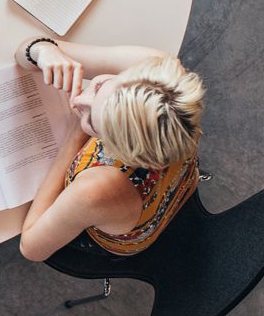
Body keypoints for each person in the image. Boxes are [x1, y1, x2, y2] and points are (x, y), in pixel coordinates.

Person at [15, 37, 206, 262]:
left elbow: (31, 247)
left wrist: (74, 136)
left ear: (119, 150)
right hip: (178, 181)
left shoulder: (96, 189)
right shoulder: (155, 70)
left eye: (92, 123)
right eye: (99, 86)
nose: (78, 101)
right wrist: (43, 51)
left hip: (121, 233)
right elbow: (25, 50)